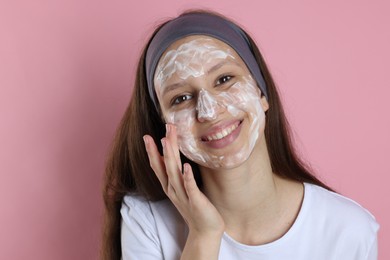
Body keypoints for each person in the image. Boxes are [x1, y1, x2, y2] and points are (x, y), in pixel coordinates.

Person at [101, 10, 379, 260]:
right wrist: (203, 235)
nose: (208, 111)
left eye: (224, 79)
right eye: (181, 98)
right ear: (165, 125)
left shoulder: (350, 231)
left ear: (261, 93)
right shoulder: (147, 223)